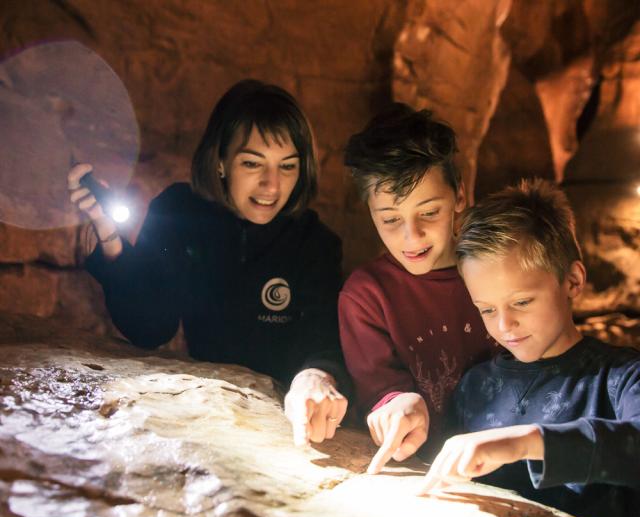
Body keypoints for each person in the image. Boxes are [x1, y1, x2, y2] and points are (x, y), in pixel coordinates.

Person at [68, 79, 348, 446]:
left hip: (289, 426)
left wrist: (317, 374)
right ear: (220, 161)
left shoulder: (315, 243)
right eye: (252, 163)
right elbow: (150, 327)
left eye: (288, 166)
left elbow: (323, 340)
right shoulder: (180, 214)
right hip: (205, 422)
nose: (271, 185)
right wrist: (109, 237)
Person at [418, 179, 640, 517]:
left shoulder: (621, 378)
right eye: (486, 309)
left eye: (521, 302)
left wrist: (527, 442)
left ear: (572, 281)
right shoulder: (475, 386)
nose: (504, 325)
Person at [340, 104, 495, 474]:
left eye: (429, 212)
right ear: (370, 211)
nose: (412, 236)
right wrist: (395, 405)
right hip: (427, 472)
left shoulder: (496, 269)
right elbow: (381, 393)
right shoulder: (366, 297)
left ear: (460, 194)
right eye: (391, 219)